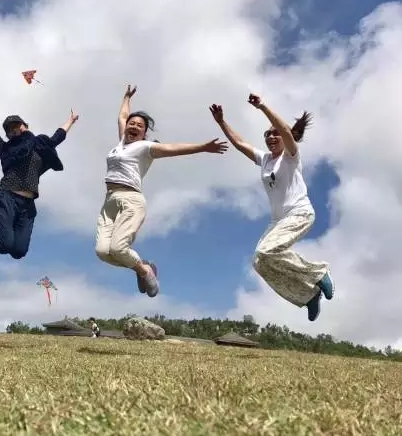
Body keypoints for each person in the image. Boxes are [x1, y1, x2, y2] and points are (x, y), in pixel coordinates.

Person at [209, 93, 334, 322]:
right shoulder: (265, 159)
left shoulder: (291, 155)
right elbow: (240, 144)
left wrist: (263, 107)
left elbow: (285, 130)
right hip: (278, 220)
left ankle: (319, 272)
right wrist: (221, 122)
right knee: (260, 263)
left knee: (265, 251)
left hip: (299, 212)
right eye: (267, 134)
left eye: (275, 133)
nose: (271, 137)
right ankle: (308, 295)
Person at [95, 85, 229, 298]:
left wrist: (203, 147)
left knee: (118, 249)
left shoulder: (144, 147)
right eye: (132, 123)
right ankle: (142, 267)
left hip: (131, 199)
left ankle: (144, 271)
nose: (134, 126)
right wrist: (126, 97)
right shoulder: (121, 144)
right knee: (103, 252)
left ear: (144, 133)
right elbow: (121, 116)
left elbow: (172, 148)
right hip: (109, 201)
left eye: (139, 125)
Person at [0, 97, 79, 259]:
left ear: (25, 125)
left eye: (17, 125)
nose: (15, 129)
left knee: (19, 251)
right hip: (7, 196)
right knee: (4, 245)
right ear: (8, 134)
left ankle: (1, 228)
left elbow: (58, 137)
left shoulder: (40, 146)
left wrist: (71, 121)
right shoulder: (5, 149)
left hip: (27, 205)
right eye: (10, 129)